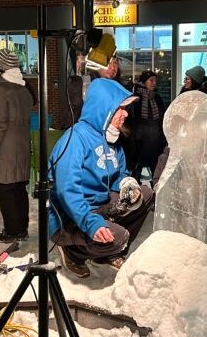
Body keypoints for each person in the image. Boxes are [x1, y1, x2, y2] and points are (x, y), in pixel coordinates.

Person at [48, 78, 155, 278]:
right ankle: (74, 252)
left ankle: (106, 252)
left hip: (98, 206)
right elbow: (67, 190)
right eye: (120, 109)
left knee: (145, 194)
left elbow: (119, 174)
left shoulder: (112, 138)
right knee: (119, 236)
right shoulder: (75, 139)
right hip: (69, 217)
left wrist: (127, 183)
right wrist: (91, 223)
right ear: (103, 108)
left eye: (125, 109)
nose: (125, 114)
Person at [0, 49, 34, 243]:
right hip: (22, 145)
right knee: (19, 190)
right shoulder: (23, 88)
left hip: (4, 147)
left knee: (6, 191)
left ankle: (12, 231)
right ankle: (21, 228)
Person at [123, 70, 167, 181]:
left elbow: (162, 119)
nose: (154, 83)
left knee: (155, 172)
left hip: (155, 142)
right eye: (151, 80)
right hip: (139, 142)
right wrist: (133, 140)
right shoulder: (135, 99)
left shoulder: (157, 98)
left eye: (155, 81)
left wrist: (161, 138)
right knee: (136, 174)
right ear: (144, 82)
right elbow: (130, 121)